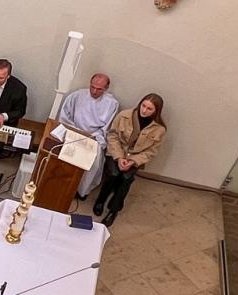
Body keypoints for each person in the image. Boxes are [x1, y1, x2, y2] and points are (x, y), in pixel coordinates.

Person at [96, 93, 167, 226]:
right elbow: (112, 136)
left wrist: (133, 161)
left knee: (126, 179)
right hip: (117, 152)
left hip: (135, 158)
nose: (144, 110)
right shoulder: (124, 115)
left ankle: (113, 209)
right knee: (113, 174)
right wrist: (119, 157)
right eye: (143, 106)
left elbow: (151, 152)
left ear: (156, 111)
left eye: (149, 109)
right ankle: (101, 199)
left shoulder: (160, 129)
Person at [58, 72, 121, 198]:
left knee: (93, 161)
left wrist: (92, 137)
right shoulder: (77, 96)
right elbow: (65, 117)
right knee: (65, 153)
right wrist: (76, 132)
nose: (94, 91)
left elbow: (107, 128)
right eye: (92, 87)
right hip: (74, 131)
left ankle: (82, 190)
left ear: (106, 88)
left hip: (95, 137)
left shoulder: (112, 104)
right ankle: (61, 184)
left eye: (99, 89)